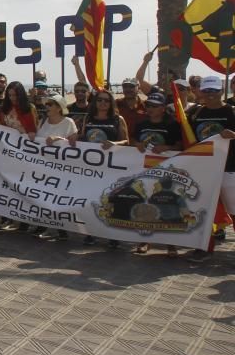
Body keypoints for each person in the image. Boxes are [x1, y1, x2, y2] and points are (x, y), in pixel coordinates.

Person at [183, 76, 235, 263]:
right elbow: (186, 137)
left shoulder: (231, 111)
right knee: (204, 210)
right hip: (203, 169)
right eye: (207, 91)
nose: (210, 94)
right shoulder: (195, 113)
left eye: (214, 90)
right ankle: (205, 247)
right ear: (200, 92)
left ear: (222, 91)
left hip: (229, 168)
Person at [70, 88, 129, 247]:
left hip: (111, 167)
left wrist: (114, 144)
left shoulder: (118, 119)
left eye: (106, 100)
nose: (103, 103)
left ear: (111, 103)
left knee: (110, 201)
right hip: (91, 167)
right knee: (90, 199)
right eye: (100, 100)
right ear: (95, 102)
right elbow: (83, 137)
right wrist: (76, 136)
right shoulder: (88, 118)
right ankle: (91, 233)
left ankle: (112, 235)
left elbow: (126, 141)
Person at [130, 91, 182, 256]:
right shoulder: (141, 124)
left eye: (154, 106)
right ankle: (145, 239)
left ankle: (171, 243)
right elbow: (131, 139)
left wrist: (167, 148)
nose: (150, 108)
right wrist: (136, 144)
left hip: (166, 171)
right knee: (145, 203)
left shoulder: (172, 124)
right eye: (148, 105)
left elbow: (181, 146)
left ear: (163, 108)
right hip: (144, 170)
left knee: (167, 204)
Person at [34, 94, 77, 241]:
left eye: (50, 104)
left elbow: (74, 143)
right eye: (46, 104)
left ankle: (61, 229)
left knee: (58, 198)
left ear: (59, 108)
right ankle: (43, 225)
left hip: (61, 168)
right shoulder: (42, 121)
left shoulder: (68, 122)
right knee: (43, 195)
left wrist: (59, 139)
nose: (47, 107)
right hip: (43, 166)